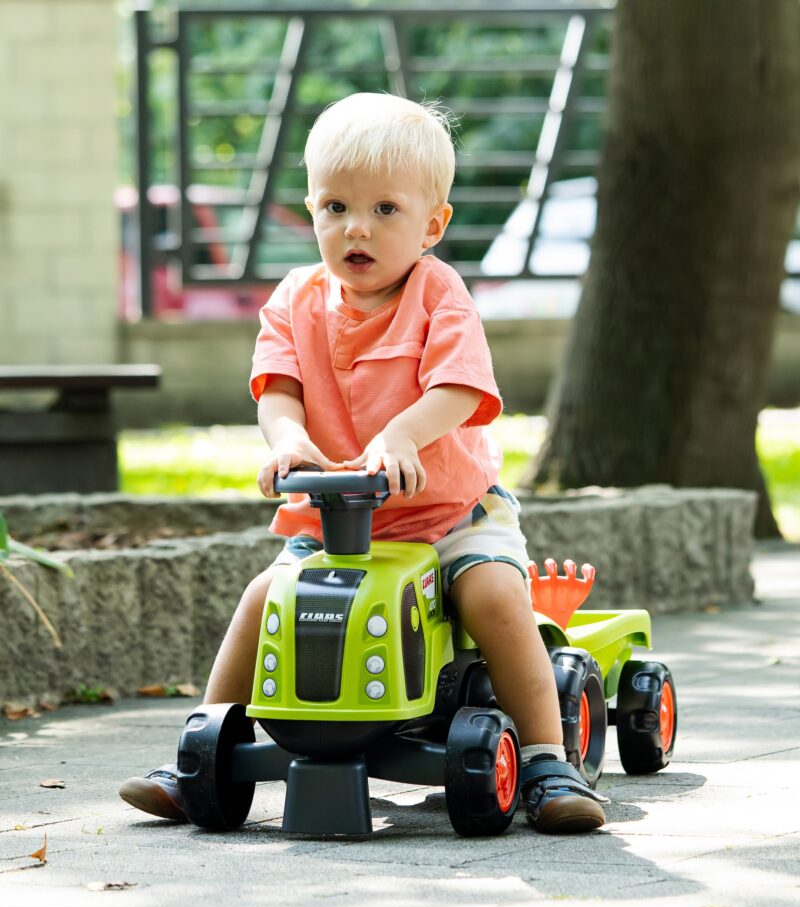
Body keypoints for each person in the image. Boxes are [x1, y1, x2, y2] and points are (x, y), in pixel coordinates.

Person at [120, 92, 608, 833]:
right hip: (338, 525)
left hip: (449, 519)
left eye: (385, 210)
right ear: (312, 210)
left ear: (432, 225)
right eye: (335, 207)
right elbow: (276, 389)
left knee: (495, 599)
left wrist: (405, 434)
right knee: (265, 598)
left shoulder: (438, 293)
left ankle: (546, 759)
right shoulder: (294, 299)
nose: (356, 227)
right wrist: (286, 440)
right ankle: (202, 756)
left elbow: (459, 388)